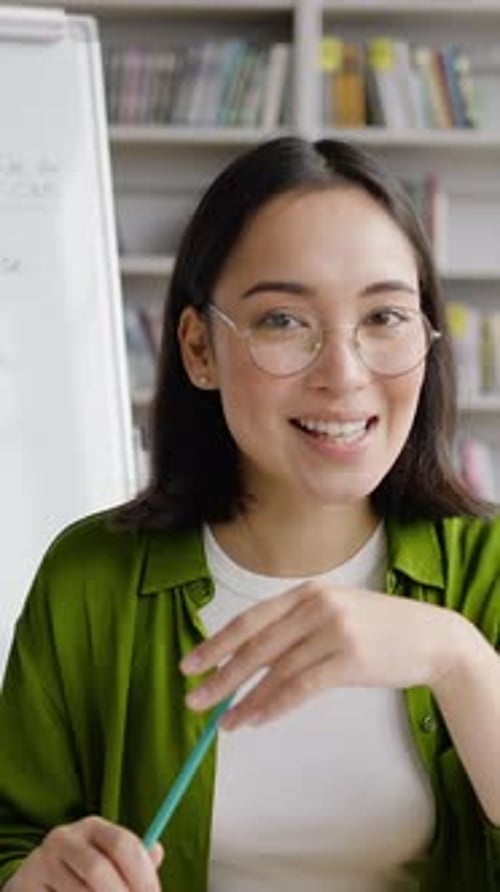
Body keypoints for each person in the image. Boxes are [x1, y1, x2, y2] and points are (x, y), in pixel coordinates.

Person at [0, 136, 499, 892]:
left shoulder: (489, 571)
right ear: (200, 348)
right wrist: (33, 877)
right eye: (283, 321)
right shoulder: (88, 576)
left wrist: (459, 662)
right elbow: (14, 838)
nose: (343, 374)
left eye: (385, 317)